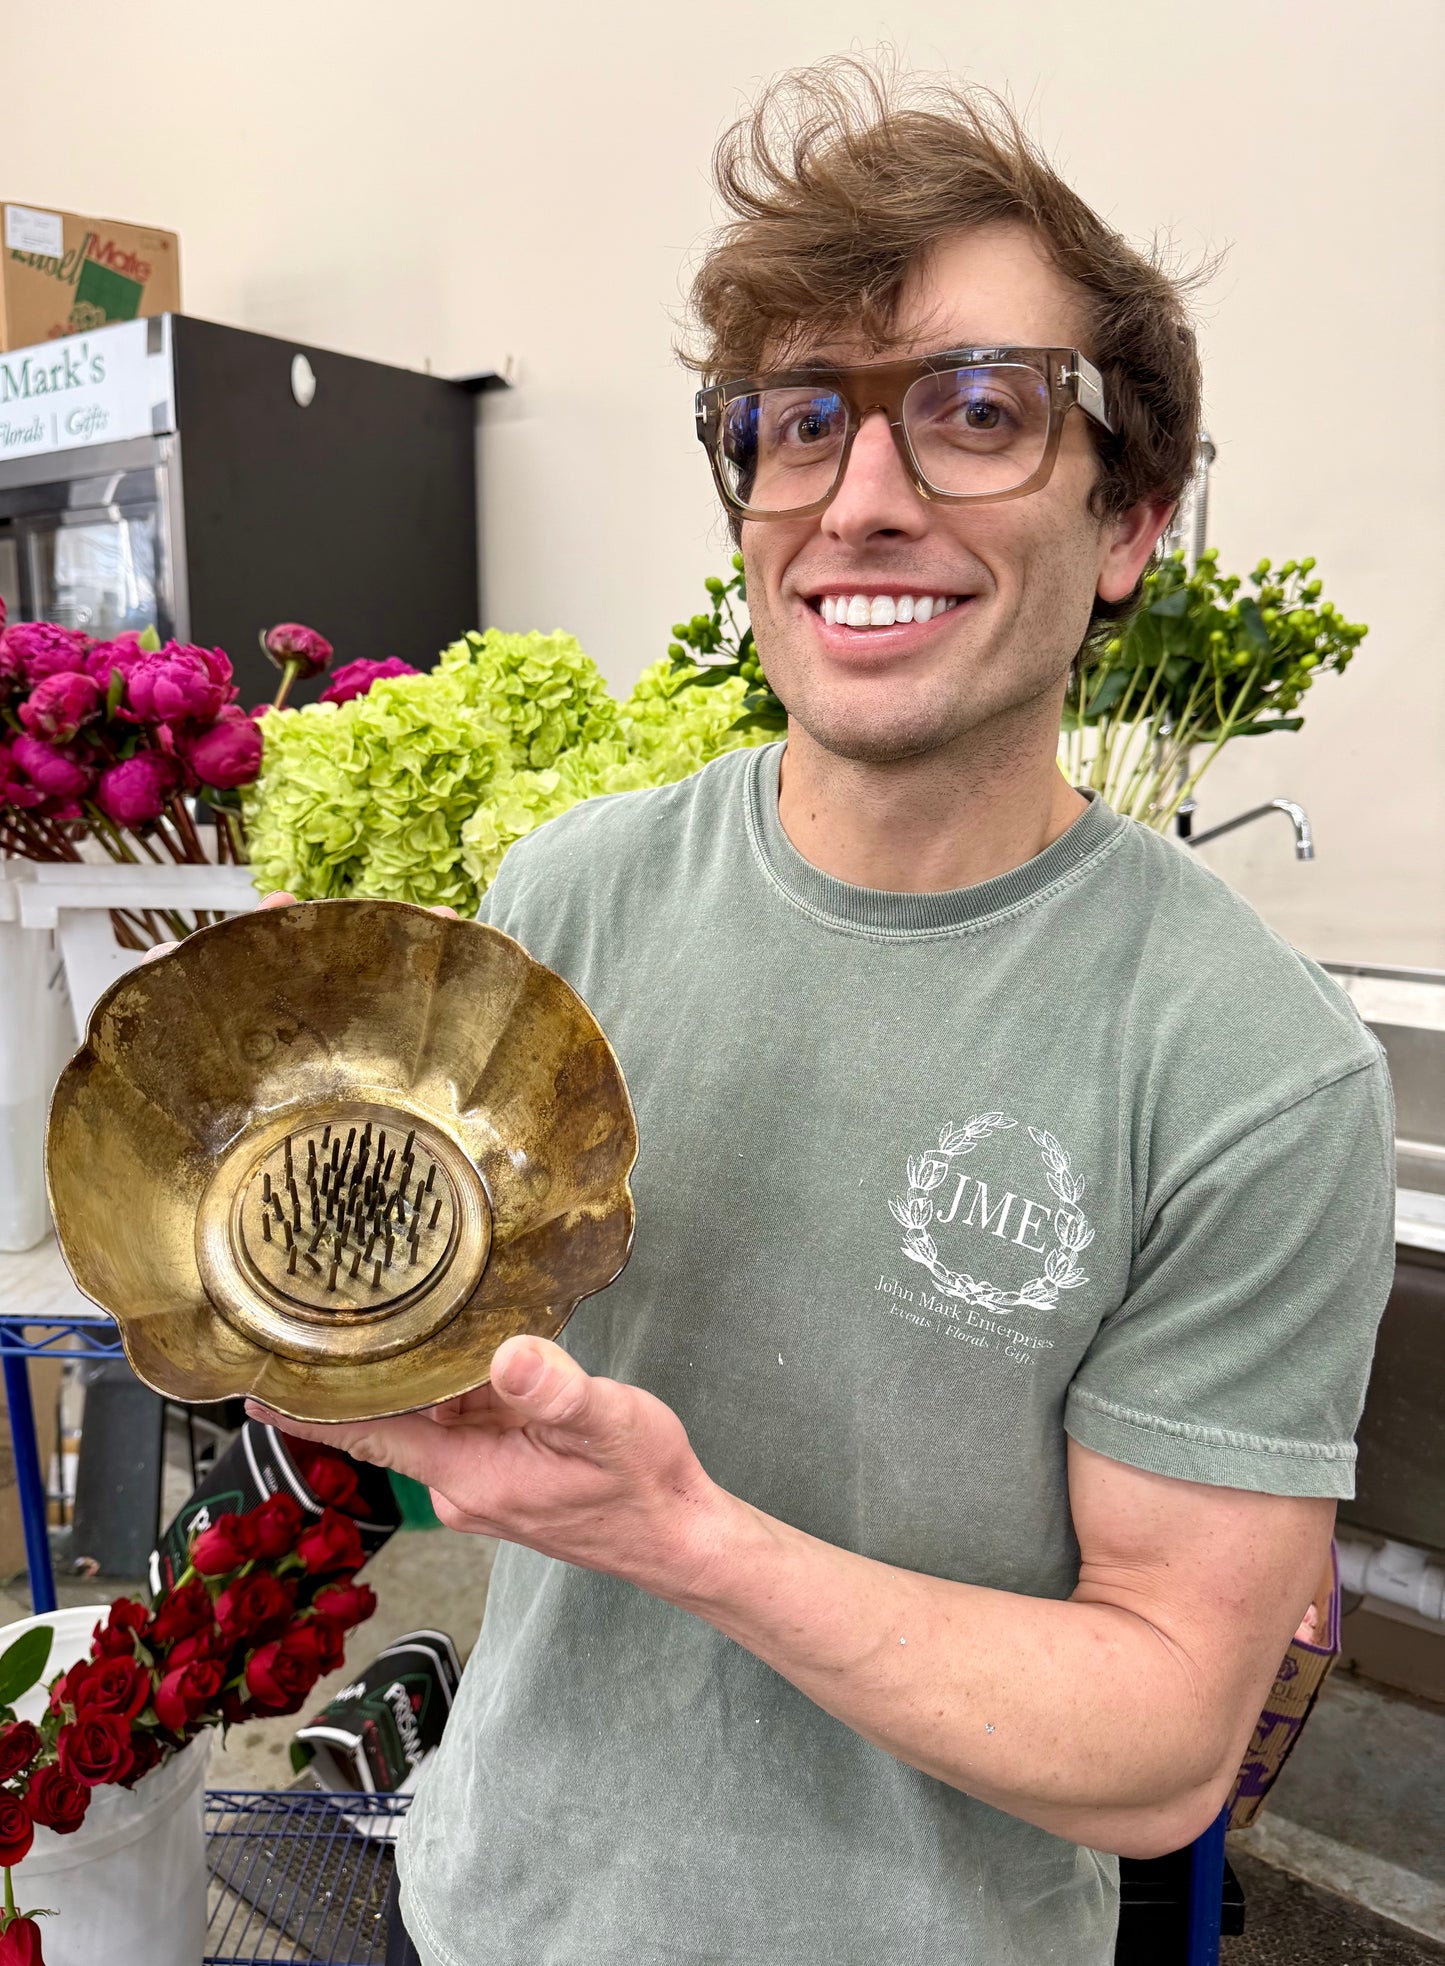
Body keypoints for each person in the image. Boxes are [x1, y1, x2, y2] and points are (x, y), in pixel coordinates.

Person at [255, 61, 1394, 1966]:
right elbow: (463, 1370)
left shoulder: (1251, 1070)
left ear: (1128, 521)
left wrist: (685, 1533)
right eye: (795, 422)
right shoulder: (570, 894)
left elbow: (1159, 1744)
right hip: (497, 1908)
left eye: (973, 411)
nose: (860, 498)